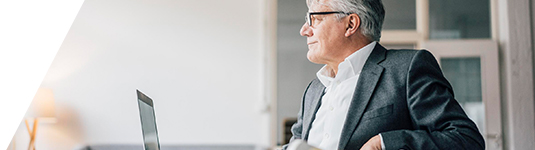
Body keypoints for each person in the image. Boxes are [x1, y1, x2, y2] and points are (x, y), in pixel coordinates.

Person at [283, 0, 485, 149]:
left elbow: (465, 140)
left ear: (350, 24)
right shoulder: (314, 90)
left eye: (314, 19)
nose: (304, 30)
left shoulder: (407, 68)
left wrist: (385, 143)